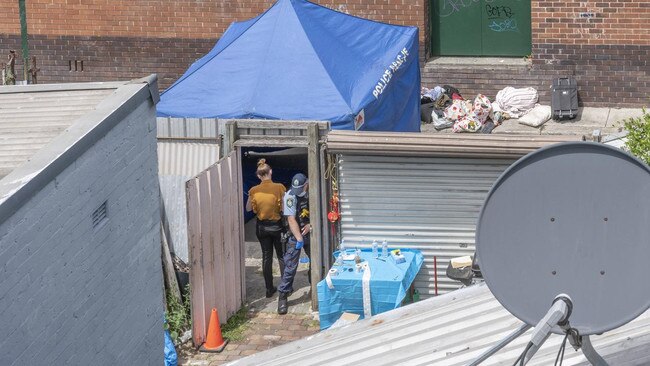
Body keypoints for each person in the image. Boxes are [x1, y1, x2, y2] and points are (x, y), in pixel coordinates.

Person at [246, 159, 286, 298]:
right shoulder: (280, 187)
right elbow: (284, 207)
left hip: (262, 227)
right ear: (271, 172)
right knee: (281, 256)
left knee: (266, 257)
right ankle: (285, 287)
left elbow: (248, 208)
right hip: (277, 226)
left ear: (258, 176)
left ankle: (269, 289)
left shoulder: (253, 190)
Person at [277, 173, 311, 315]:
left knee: (317, 262)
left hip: (310, 232)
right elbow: (291, 219)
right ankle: (283, 296)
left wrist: (311, 224)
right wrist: (299, 238)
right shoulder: (290, 196)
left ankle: (314, 288)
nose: (298, 192)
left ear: (306, 184)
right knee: (290, 266)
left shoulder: (312, 191)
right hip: (294, 235)